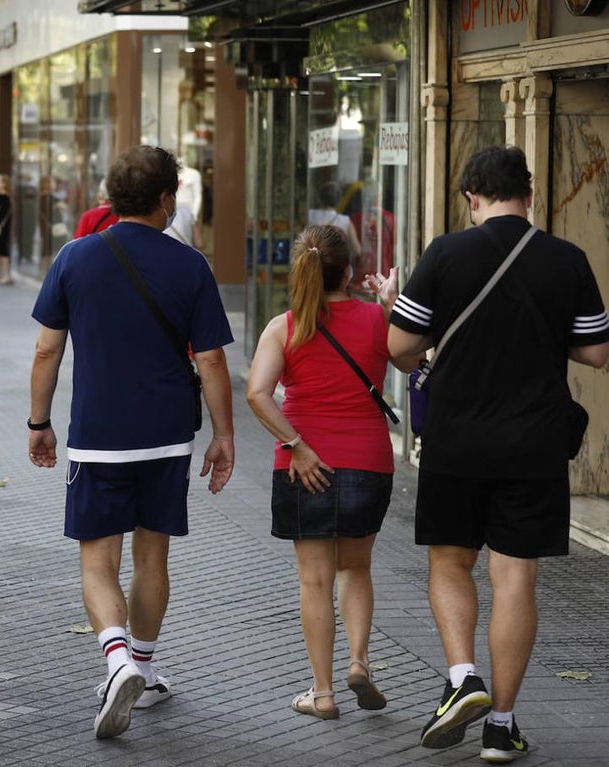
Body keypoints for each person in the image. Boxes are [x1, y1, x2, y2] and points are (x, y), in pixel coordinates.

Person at [387, 145, 609, 761]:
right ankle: (501, 727)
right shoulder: (567, 259)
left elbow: (399, 345)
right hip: (534, 447)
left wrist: (436, 350)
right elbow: (595, 352)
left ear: (471, 196)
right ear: (530, 195)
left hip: (457, 440)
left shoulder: (445, 253)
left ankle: (463, 680)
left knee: (450, 563)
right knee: (516, 578)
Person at [28, 145, 237, 740]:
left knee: (98, 559)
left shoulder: (74, 259)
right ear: (168, 198)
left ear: (111, 198)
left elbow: (47, 349)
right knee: (153, 556)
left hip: (98, 436)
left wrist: (38, 422)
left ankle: (117, 661)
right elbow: (214, 359)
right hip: (168, 436)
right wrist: (223, 436)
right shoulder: (190, 264)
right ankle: (140, 667)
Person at [246, 224, 421, 722]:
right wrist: (391, 304)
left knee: (314, 581)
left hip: (306, 466)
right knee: (357, 567)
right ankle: (360, 662)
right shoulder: (374, 320)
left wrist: (297, 446)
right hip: (368, 459)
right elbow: (413, 362)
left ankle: (322, 693)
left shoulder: (285, 326)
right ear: (347, 270)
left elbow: (257, 393)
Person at [309, 181, 361, 263]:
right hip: (337, 267)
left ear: (320, 198)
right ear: (339, 201)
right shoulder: (345, 221)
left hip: (314, 264)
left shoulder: (310, 215)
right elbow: (357, 250)